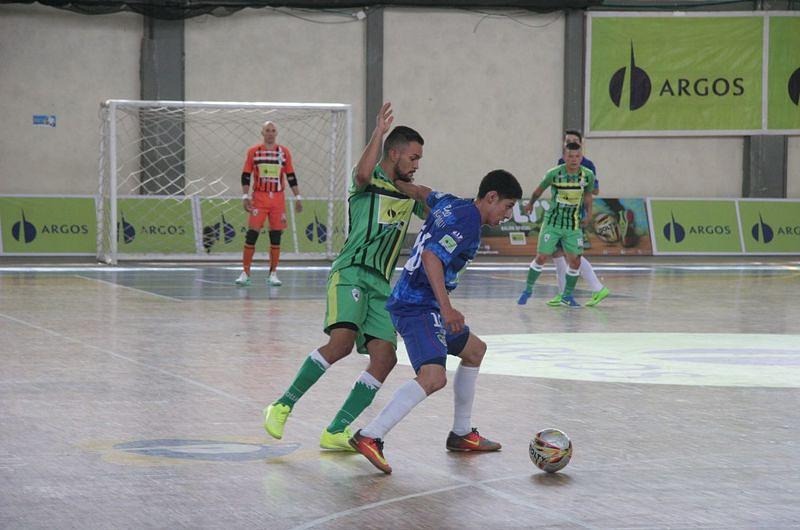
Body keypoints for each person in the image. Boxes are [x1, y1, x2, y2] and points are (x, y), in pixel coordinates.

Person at [262, 103, 428, 451]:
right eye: (412, 158)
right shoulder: (369, 181)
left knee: (385, 357)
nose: (416, 165)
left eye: (419, 160)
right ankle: (282, 404)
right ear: (394, 153)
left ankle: (336, 430)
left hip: (382, 284)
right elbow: (364, 174)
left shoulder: (408, 192)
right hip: (351, 272)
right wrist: (377, 133)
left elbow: (434, 210)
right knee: (341, 342)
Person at [349, 170, 523, 474]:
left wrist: (396, 181)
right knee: (433, 377)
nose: (508, 214)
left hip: (419, 303)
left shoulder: (452, 203)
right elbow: (431, 257)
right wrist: (447, 309)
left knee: (474, 351)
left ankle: (461, 434)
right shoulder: (469, 221)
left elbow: (421, 192)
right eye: (507, 206)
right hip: (418, 306)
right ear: (492, 197)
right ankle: (370, 435)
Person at [517, 142, 595, 307]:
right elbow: (538, 191)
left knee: (575, 262)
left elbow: (588, 195)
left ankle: (567, 296)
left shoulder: (588, 175)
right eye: (570, 156)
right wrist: (530, 204)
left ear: (581, 157)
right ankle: (528, 289)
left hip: (573, 225)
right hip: (552, 223)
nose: (574, 159)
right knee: (542, 257)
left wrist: (589, 214)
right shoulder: (554, 174)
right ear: (564, 157)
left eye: (577, 156)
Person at [235, 121, 303, 288]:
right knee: (252, 234)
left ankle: (273, 273)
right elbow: (246, 175)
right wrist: (245, 195)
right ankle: (245, 272)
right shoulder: (254, 152)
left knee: (276, 236)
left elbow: (291, 175)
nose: (270, 133)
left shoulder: (284, 152)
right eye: (267, 130)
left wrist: (298, 196)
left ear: (276, 133)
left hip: (278, 199)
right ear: (262, 132)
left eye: (273, 130)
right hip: (259, 197)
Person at [549, 130, 609, 307]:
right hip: (560, 213)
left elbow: (594, 190)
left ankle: (597, 288)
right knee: (557, 252)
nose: (571, 144)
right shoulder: (561, 162)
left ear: (581, 145)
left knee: (572, 254)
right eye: (568, 141)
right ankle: (563, 294)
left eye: (575, 141)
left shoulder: (588, 166)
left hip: (574, 214)